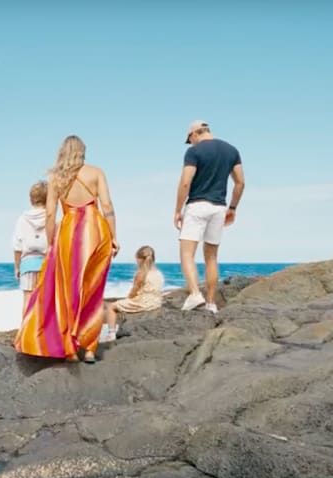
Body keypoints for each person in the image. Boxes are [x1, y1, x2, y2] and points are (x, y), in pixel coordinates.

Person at [14, 135, 119, 364]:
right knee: (93, 290)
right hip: (96, 231)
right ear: (82, 151)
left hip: (69, 233)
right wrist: (113, 236)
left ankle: (70, 350)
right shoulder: (96, 172)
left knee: (67, 291)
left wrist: (52, 242)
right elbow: (107, 206)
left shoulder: (55, 178)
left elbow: (51, 214)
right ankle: (89, 349)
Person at [174, 120, 245, 314]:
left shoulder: (194, 152)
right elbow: (240, 182)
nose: (191, 143)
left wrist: (178, 210)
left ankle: (195, 294)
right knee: (211, 257)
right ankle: (211, 303)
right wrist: (233, 208)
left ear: (194, 134)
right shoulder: (231, 150)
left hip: (197, 206)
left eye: (190, 139)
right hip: (219, 208)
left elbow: (185, 183)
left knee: (187, 253)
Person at [103, 245, 164, 342]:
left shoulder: (141, 274)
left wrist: (128, 299)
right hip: (156, 302)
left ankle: (111, 334)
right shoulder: (158, 273)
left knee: (111, 307)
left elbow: (134, 291)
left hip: (144, 302)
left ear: (140, 260)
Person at [12, 180, 49, 316]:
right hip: (46, 263)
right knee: (44, 301)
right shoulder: (50, 218)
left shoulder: (22, 219)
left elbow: (17, 246)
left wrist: (17, 267)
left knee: (27, 299)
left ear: (31, 199)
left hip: (27, 264)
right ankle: (41, 327)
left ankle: (26, 327)